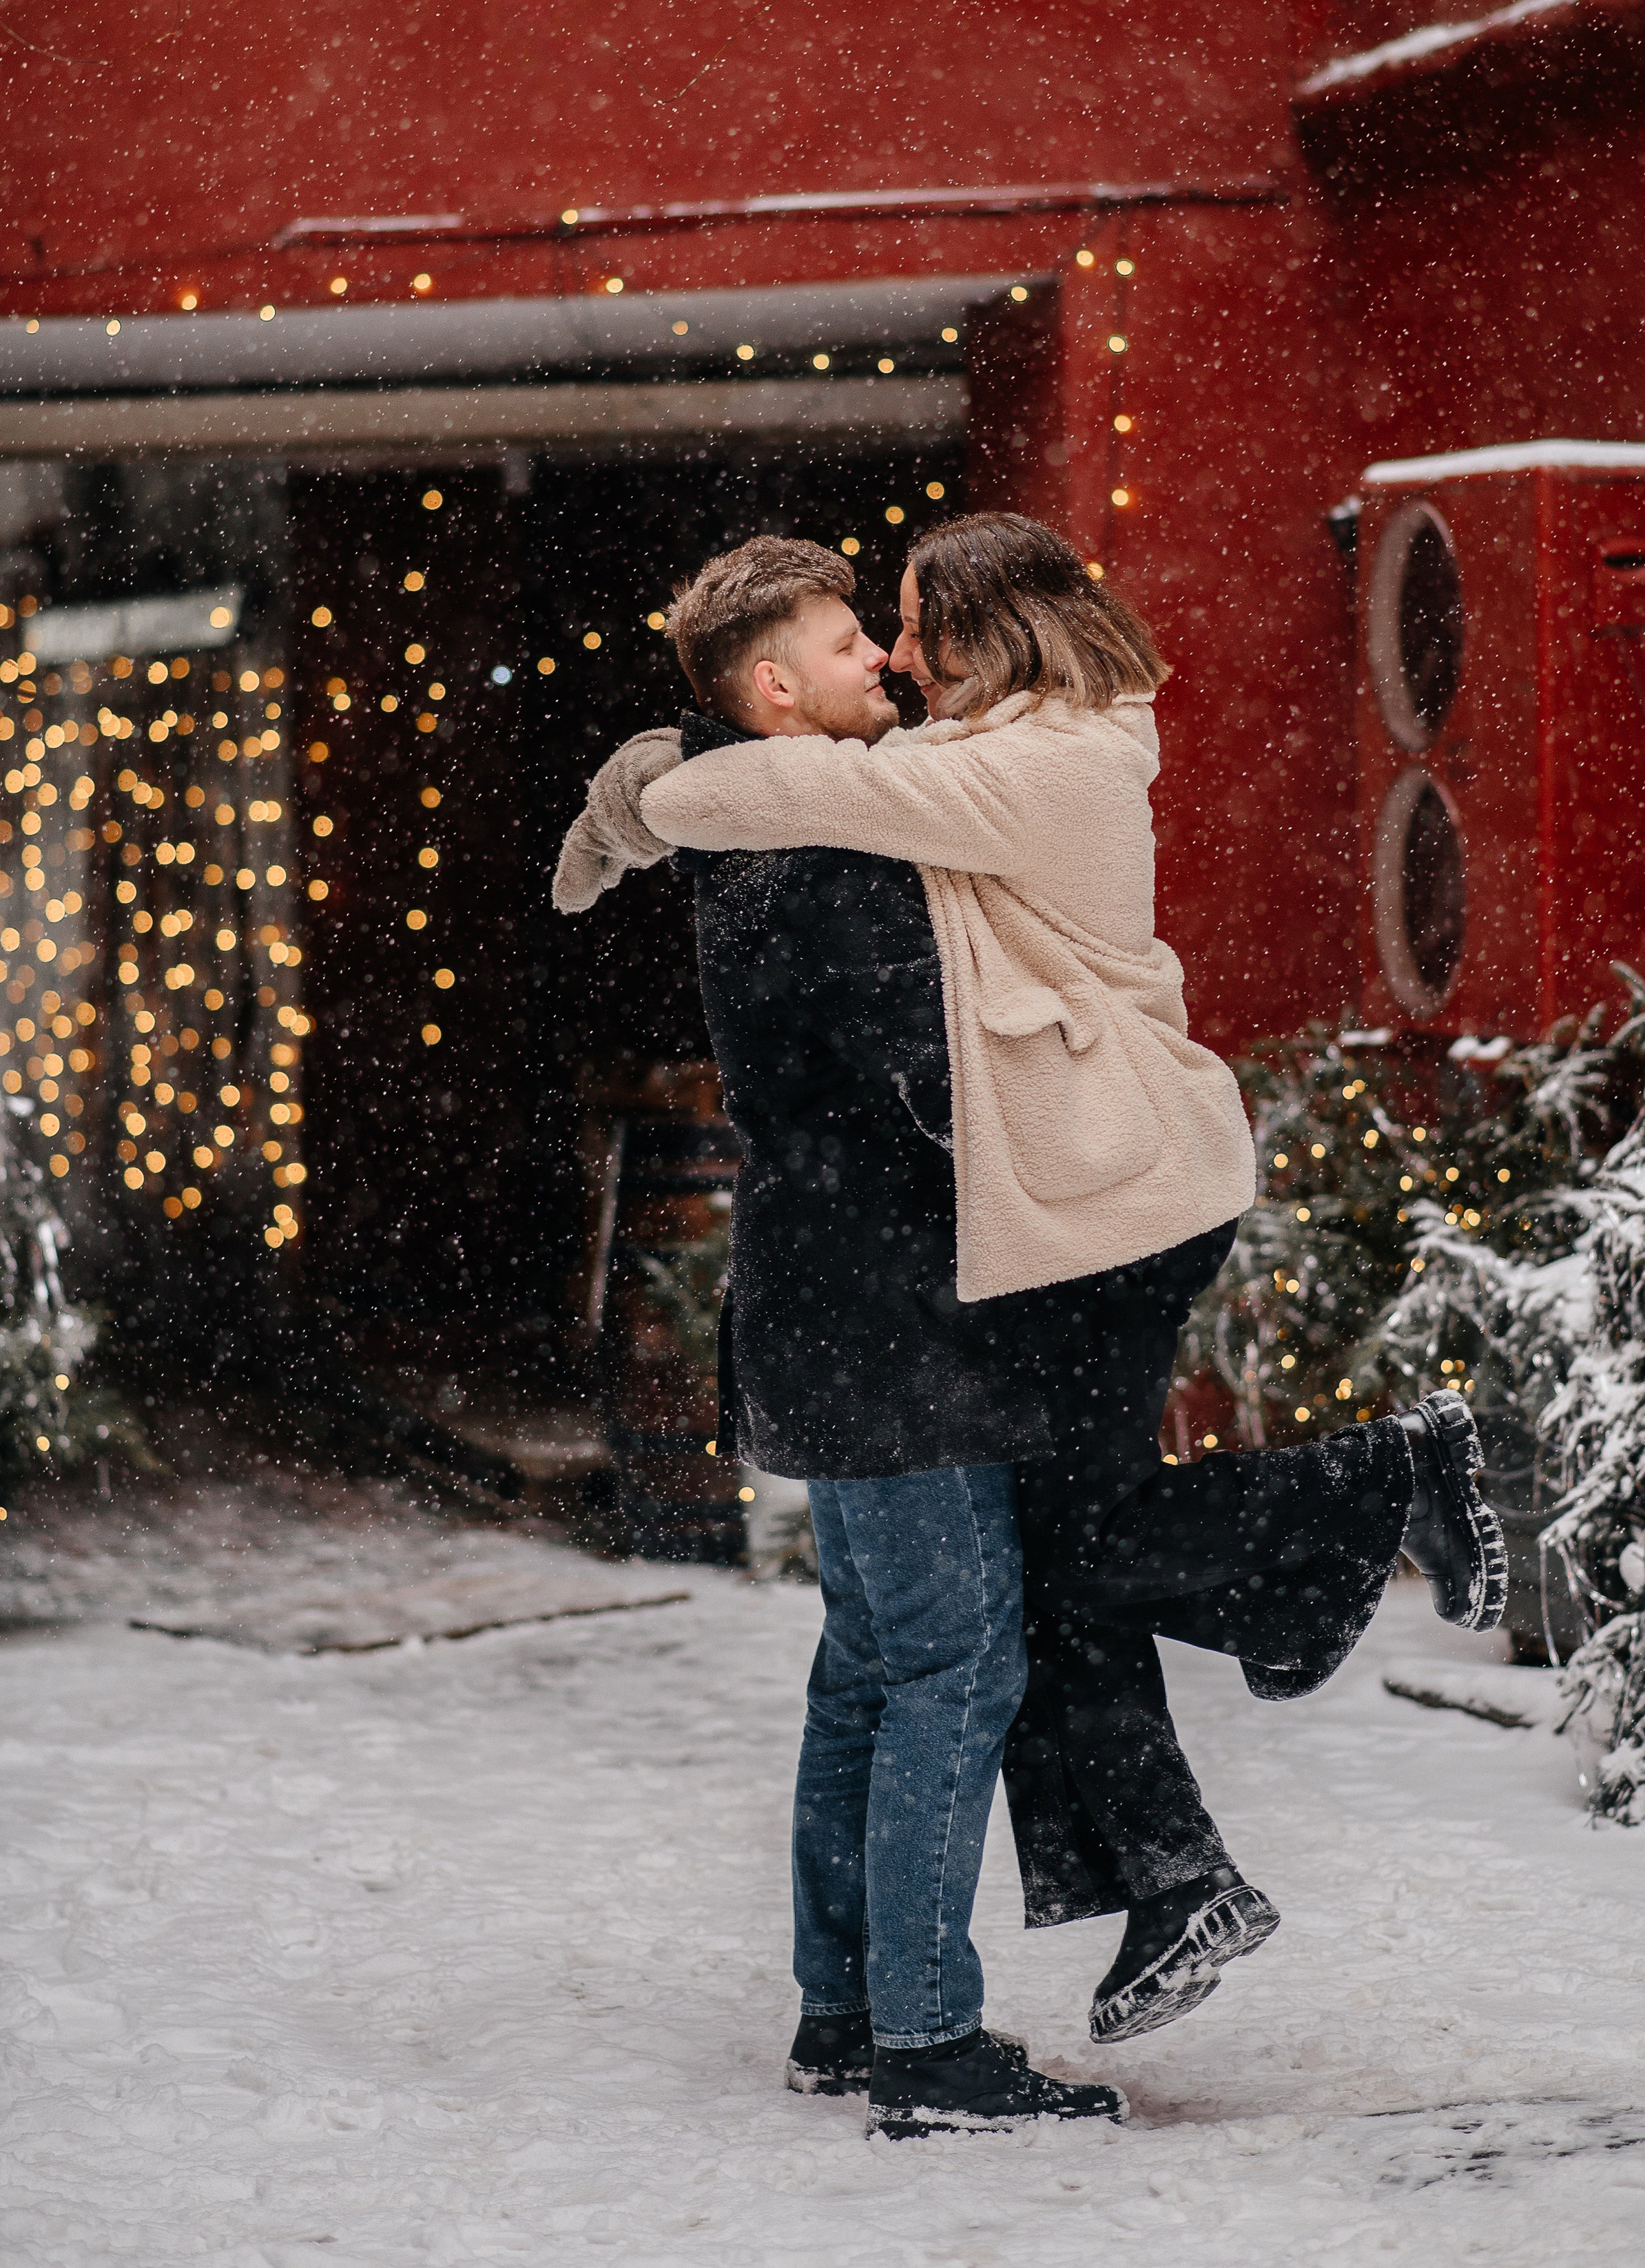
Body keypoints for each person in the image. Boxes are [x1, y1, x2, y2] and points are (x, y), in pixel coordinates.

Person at [634, 514, 1508, 2047]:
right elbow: (827, 859)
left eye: (899, 627)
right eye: (863, 639)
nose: (892, 655)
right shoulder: (971, 759)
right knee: (1039, 1559)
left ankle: (1389, 1486)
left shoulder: (1040, 762)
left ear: (983, 632)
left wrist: (644, 789)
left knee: (1064, 1543)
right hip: (1036, 1222)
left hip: (1114, 1199)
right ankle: (1170, 1878)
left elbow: (786, 781)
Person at [554, 537, 1125, 2142]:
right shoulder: (833, 851)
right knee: (955, 1663)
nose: (884, 655)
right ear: (773, 688)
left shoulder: (764, 827)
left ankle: (844, 2008)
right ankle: (928, 2044)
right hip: (896, 1311)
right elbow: (928, 1084)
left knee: (872, 1666)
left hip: (817, 1297)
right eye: (843, 642)